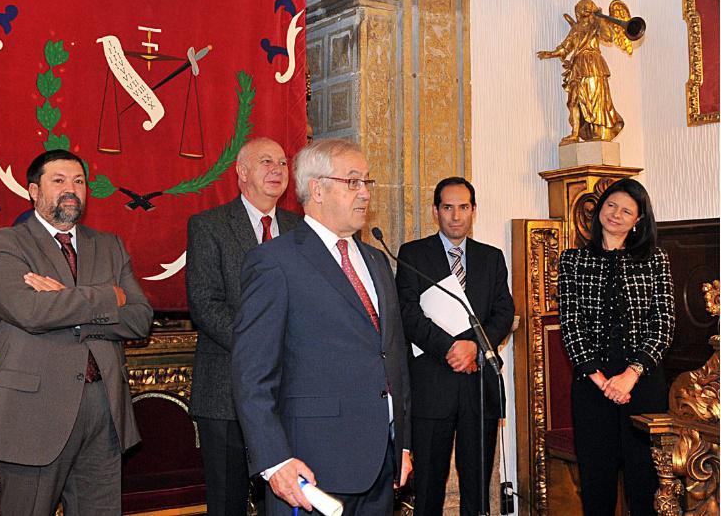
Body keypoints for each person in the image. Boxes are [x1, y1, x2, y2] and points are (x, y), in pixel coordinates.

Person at [231, 138, 412, 515]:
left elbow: (392, 357)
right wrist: (275, 461)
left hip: (381, 465)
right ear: (316, 188)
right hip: (309, 470)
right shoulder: (275, 262)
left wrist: (402, 442)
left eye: (367, 182)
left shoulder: (377, 261)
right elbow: (252, 375)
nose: (364, 193)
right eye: (352, 182)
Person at [0, 149, 154, 514]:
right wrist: (107, 297)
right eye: (58, 181)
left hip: (104, 410)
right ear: (33, 192)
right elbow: (30, 311)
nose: (71, 189)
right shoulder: (6, 244)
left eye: (78, 182)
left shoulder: (109, 245)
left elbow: (139, 318)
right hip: (33, 413)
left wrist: (66, 301)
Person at [186, 137, 300, 515]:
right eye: (266, 161)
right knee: (227, 502)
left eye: (283, 163)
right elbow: (206, 305)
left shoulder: (302, 229)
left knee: (286, 501)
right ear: (242, 172)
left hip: (292, 393)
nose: (277, 170)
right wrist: (265, 349)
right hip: (226, 392)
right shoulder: (210, 226)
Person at [395, 176, 514, 516]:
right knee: (429, 486)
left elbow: (504, 312)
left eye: (464, 207)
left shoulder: (491, 257)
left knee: (477, 488)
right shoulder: (413, 254)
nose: (456, 215)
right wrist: (451, 348)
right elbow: (408, 314)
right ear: (436, 211)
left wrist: (474, 348)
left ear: (473, 210)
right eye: (448, 207)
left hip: (478, 385)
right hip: (432, 384)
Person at [558, 178, 674, 516]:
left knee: (645, 483)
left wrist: (630, 374)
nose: (616, 214)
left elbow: (663, 323)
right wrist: (600, 379)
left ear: (638, 220)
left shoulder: (655, 259)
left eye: (627, 210)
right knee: (597, 485)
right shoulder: (573, 261)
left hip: (643, 385)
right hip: (593, 387)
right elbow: (571, 325)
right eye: (611, 206)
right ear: (600, 210)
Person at [537, 0, 624, 145]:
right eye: (580, 8)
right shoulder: (576, 29)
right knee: (573, 101)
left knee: (594, 99)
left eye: (586, 8)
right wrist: (551, 53)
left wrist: (600, 19)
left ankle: (597, 132)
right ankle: (575, 133)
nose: (582, 11)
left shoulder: (596, 25)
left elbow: (609, 37)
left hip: (593, 65)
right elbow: (566, 47)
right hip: (578, 66)